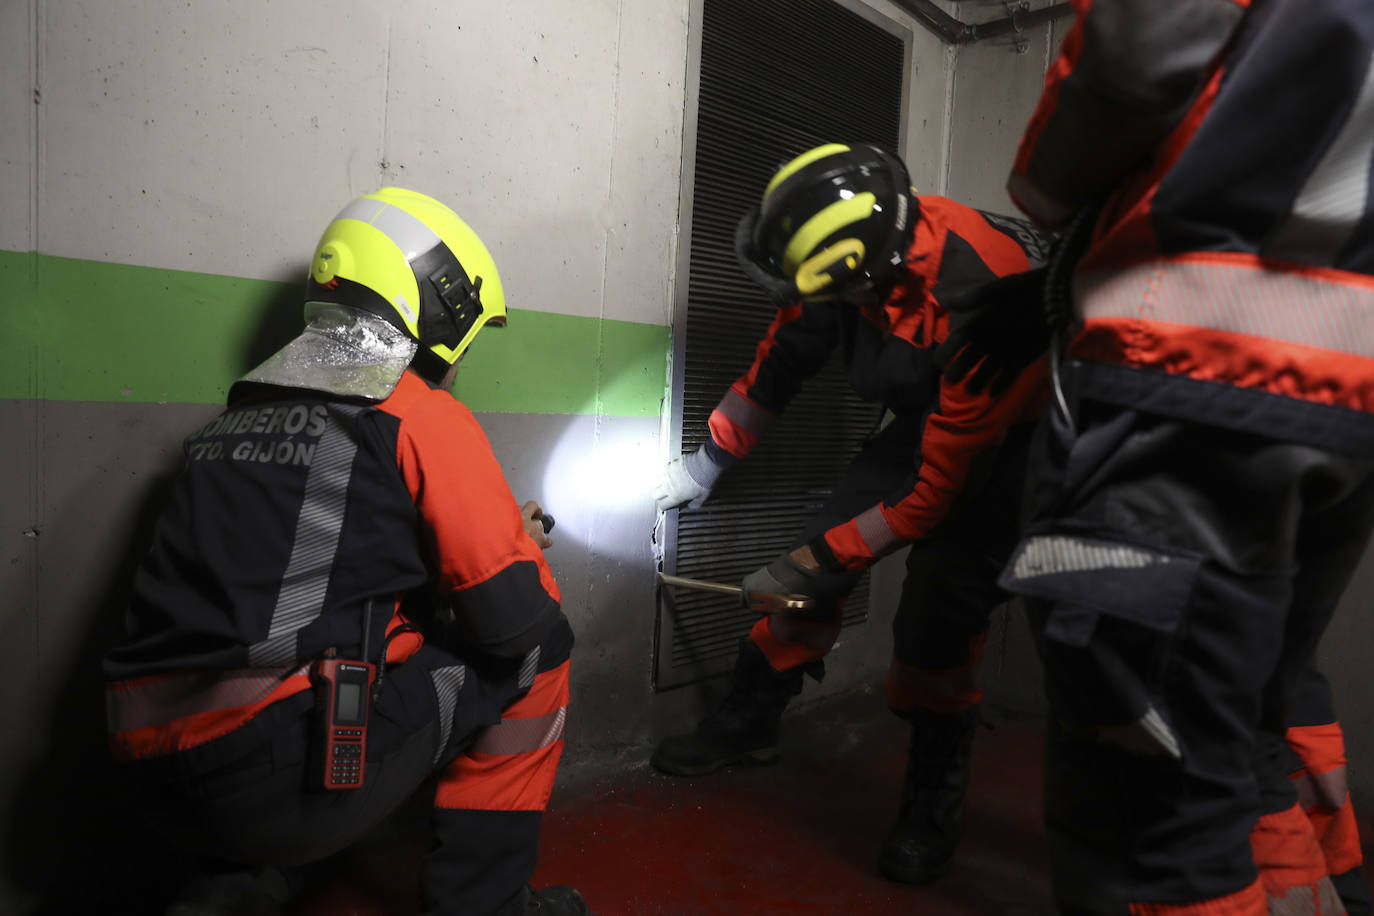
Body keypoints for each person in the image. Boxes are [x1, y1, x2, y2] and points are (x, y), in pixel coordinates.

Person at [941, 0, 1374, 911]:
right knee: (1244, 726)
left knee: (1146, 815)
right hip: (1348, 410)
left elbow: (1138, 48)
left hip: (1195, 377)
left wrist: (1050, 195)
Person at [102, 188, 588, 916]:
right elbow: (513, 622)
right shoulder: (419, 412)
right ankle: (484, 904)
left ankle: (233, 887)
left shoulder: (232, 422)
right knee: (542, 651)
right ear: (438, 309)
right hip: (277, 781)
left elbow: (321, 566)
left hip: (145, 776)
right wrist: (510, 544)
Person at [651, 142, 1051, 884]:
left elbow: (930, 494)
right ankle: (752, 723)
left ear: (871, 278)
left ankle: (934, 792)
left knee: (938, 613)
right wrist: (705, 464)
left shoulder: (975, 299)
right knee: (814, 559)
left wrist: (822, 562)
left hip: (1022, 436)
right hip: (935, 416)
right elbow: (778, 365)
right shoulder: (843, 252)